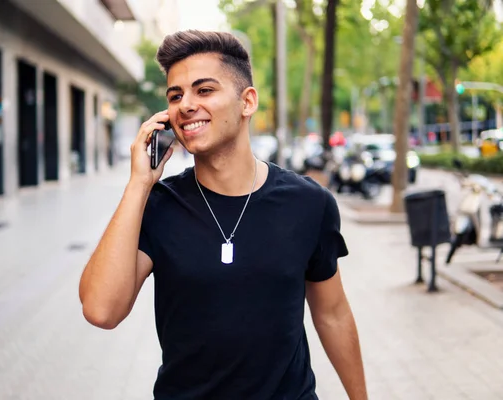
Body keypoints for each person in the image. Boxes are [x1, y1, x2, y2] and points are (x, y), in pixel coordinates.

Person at [79, 30, 367, 399]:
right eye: (175, 95)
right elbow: (101, 310)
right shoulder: (157, 205)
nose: (185, 105)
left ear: (247, 102)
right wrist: (139, 184)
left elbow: (333, 314)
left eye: (204, 90)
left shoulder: (309, 203)